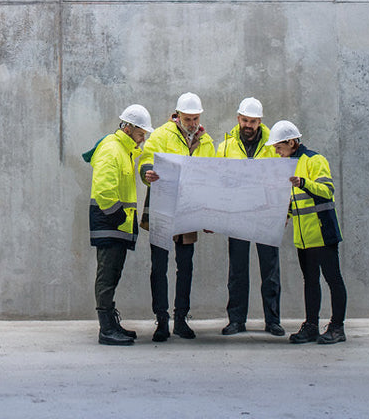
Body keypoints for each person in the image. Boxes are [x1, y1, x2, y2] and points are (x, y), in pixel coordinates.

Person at [137, 92, 215, 342]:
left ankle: (181, 320)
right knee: (159, 266)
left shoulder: (207, 142)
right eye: (187, 118)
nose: (192, 123)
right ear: (177, 115)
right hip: (162, 205)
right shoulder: (160, 135)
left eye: (195, 118)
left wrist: (209, 214)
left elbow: (211, 177)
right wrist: (147, 172)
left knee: (186, 266)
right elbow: (146, 159)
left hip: (188, 209)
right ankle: (162, 321)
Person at [271, 120, 348, 345]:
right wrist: (284, 216)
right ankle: (311, 325)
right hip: (303, 237)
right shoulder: (286, 164)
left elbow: (327, 191)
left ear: (292, 142)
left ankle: (337, 327)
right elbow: (293, 201)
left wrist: (304, 182)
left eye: (279, 146)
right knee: (310, 281)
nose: (276, 151)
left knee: (333, 280)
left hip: (323, 232)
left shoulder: (315, 160)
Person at [215, 97, 284, 336]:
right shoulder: (224, 146)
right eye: (245, 120)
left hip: (266, 215)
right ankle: (236, 320)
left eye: (253, 121)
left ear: (260, 121)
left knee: (270, 270)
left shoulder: (273, 144)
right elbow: (217, 181)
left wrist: (284, 210)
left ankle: (273, 320)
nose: (248, 125)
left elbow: (283, 179)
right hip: (238, 215)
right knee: (237, 271)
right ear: (238, 119)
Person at [88, 103, 154, 346]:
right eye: (140, 133)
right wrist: (117, 218)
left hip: (118, 224)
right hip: (111, 223)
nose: (143, 138)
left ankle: (111, 323)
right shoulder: (111, 149)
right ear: (128, 128)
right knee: (106, 275)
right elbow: (104, 190)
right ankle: (106, 329)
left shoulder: (124, 150)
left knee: (113, 274)